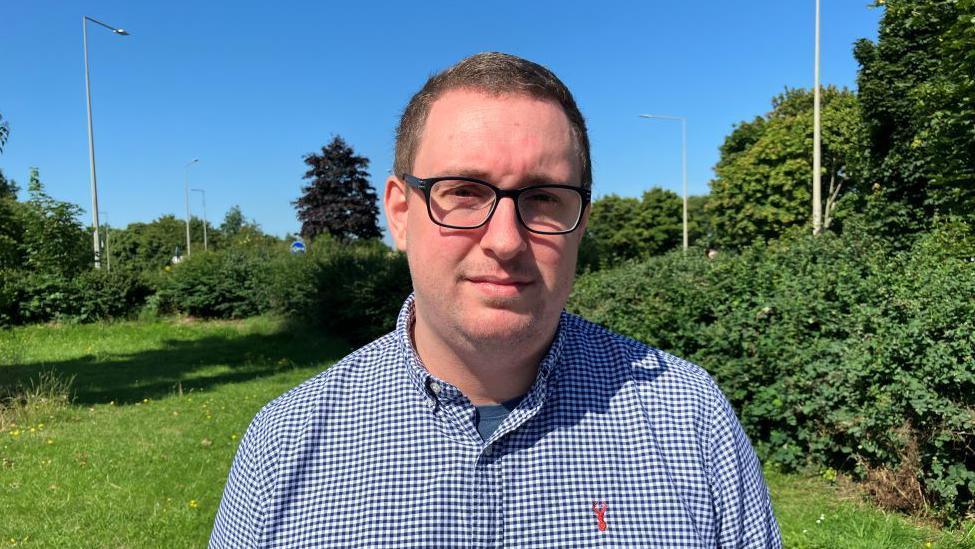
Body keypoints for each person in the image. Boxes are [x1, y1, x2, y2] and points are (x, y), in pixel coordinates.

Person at [210, 52, 781, 548]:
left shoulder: (690, 420)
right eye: (463, 192)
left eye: (543, 198)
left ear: (580, 222)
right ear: (400, 214)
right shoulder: (285, 445)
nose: (506, 240)